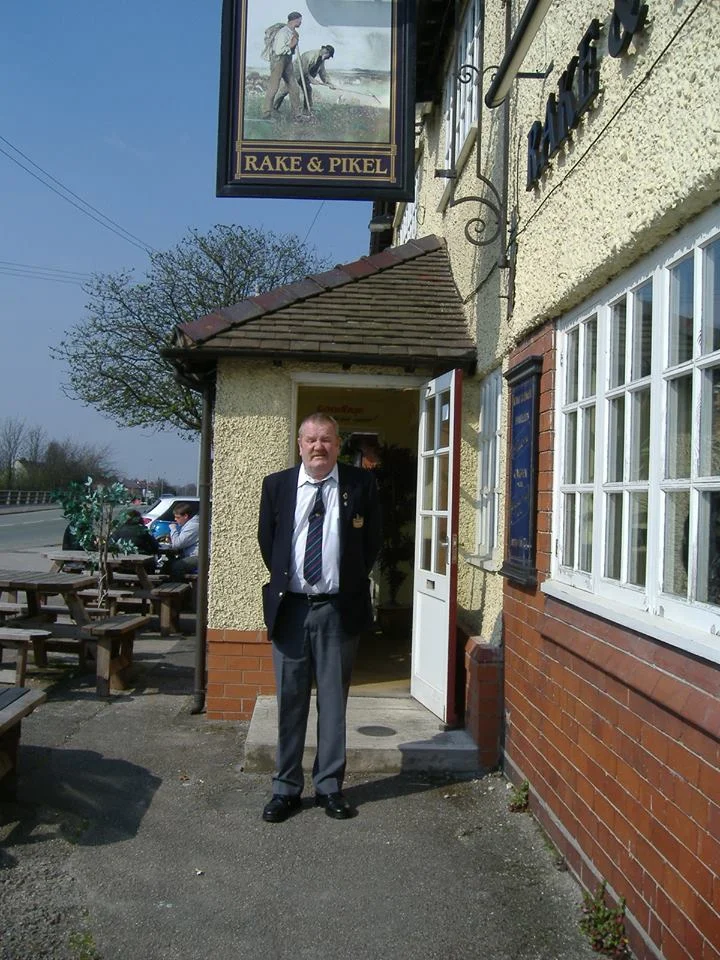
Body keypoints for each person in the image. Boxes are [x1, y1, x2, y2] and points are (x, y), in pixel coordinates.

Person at [257, 412, 382, 823]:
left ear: (338, 443)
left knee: (333, 702)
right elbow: (268, 543)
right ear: (299, 444)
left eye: (326, 439)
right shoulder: (276, 486)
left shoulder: (360, 484)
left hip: (337, 609)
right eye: (310, 439)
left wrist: (342, 580)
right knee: (289, 702)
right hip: (291, 608)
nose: (318, 447)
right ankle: (285, 789)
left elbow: (373, 541)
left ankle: (329, 787)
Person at [261, 11, 303, 121]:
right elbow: (279, 50)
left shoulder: (292, 32)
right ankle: (266, 113)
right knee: (274, 87)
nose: (301, 22)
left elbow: (289, 50)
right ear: (295, 20)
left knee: (294, 86)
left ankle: (297, 114)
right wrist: (292, 44)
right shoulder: (283, 32)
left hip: (287, 60)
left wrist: (294, 41)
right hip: (278, 60)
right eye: (300, 20)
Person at [273, 44, 336, 113]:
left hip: (304, 76)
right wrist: (311, 79)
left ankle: (307, 109)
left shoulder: (321, 60)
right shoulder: (310, 55)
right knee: (285, 90)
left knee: (308, 89)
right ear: (326, 52)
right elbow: (304, 69)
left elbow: (323, 73)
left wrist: (329, 83)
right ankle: (273, 108)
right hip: (295, 73)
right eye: (329, 56)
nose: (329, 58)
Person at [166, 502, 200, 580]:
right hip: (191, 555)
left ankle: (177, 588)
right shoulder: (189, 525)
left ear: (185, 516)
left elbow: (177, 544)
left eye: (177, 517)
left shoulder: (193, 526)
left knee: (178, 566)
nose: (175, 519)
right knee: (167, 565)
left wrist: (173, 528)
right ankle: (164, 588)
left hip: (198, 557)